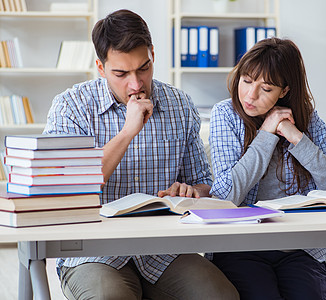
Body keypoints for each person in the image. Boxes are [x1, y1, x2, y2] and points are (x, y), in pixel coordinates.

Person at [44, 9, 239, 300]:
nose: (136, 85)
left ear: (153, 55)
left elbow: (203, 183)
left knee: (221, 296)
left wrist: (190, 190)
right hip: (94, 253)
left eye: (143, 68)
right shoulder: (70, 107)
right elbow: (69, 191)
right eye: (121, 74)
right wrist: (126, 132)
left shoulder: (180, 104)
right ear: (100, 67)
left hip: (164, 250)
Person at [208, 37, 326, 299]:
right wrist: (267, 133)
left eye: (265, 89)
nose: (250, 95)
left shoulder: (308, 119)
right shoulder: (225, 114)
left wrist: (295, 136)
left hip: (298, 248)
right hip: (242, 247)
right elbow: (225, 196)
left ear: (284, 92)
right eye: (246, 81)